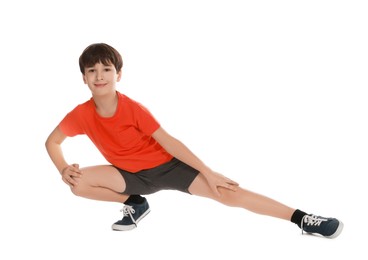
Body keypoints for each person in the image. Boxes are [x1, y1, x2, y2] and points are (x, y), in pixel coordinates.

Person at [45, 43, 344, 238]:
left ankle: (303, 219)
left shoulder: (132, 108)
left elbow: (171, 142)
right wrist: (62, 168)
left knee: (228, 194)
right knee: (78, 183)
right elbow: (52, 142)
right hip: (128, 176)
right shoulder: (81, 114)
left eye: (106, 69)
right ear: (83, 78)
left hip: (167, 167)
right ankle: (135, 204)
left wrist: (209, 172)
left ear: (118, 74)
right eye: (92, 71)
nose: (99, 76)